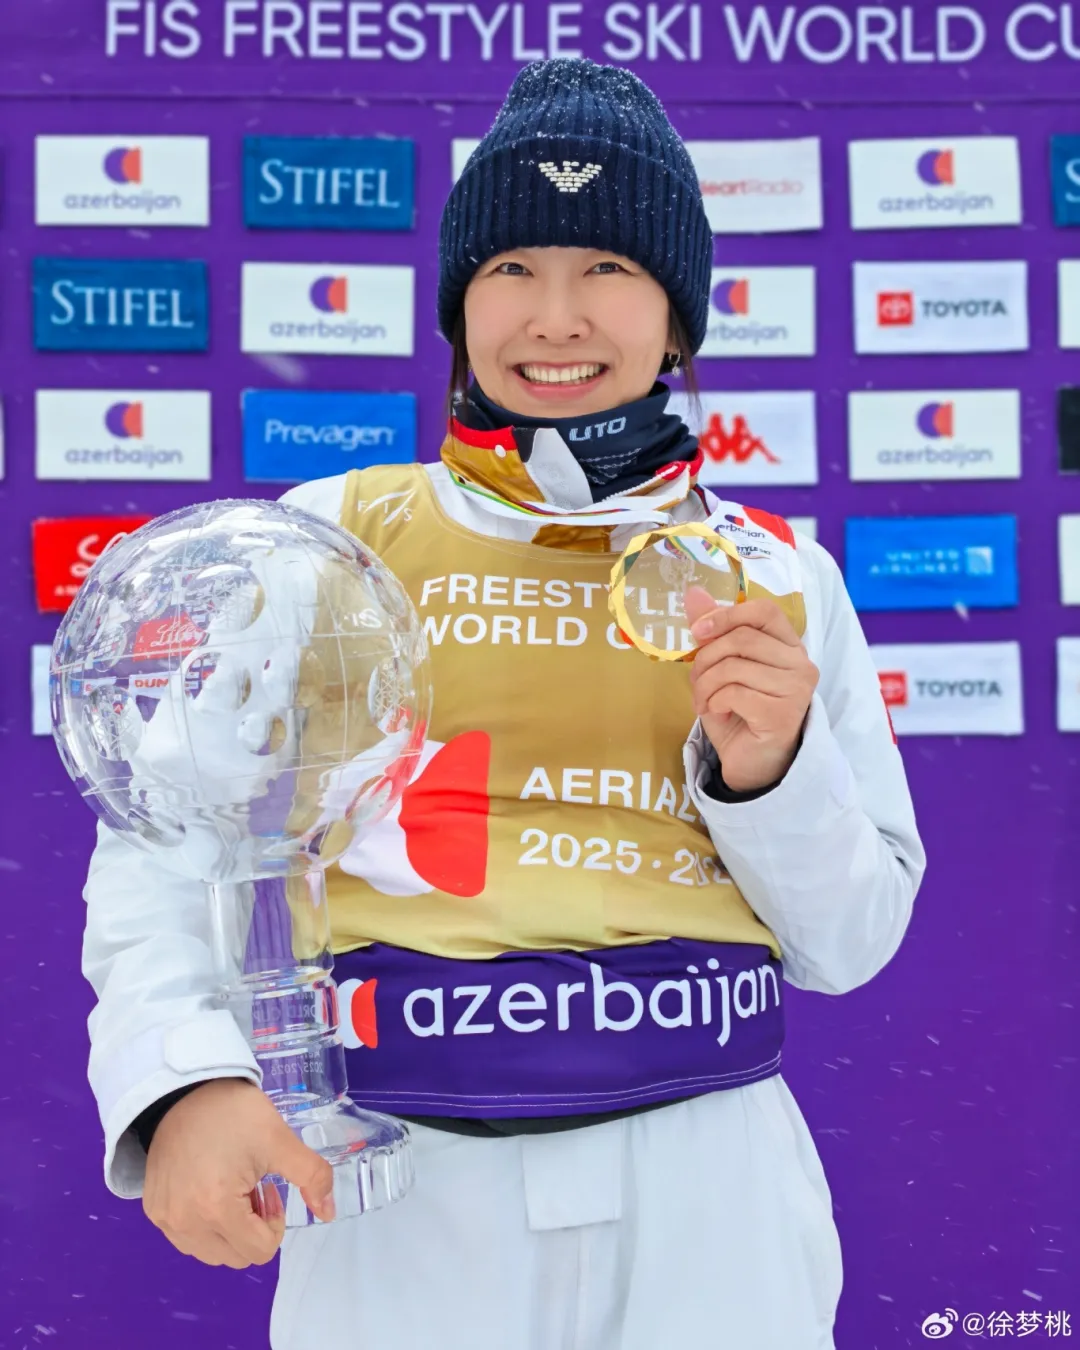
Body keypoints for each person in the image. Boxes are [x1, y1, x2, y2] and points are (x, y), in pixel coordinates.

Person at [81, 58, 924, 1350]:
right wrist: (183, 1080)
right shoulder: (331, 537)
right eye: (514, 267)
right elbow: (168, 840)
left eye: (609, 268)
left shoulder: (773, 571)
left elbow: (851, 941)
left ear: (677, 317)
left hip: (710, 1188)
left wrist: (772, 773)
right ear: (460, 302)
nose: (556, 316)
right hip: (403, 1180)